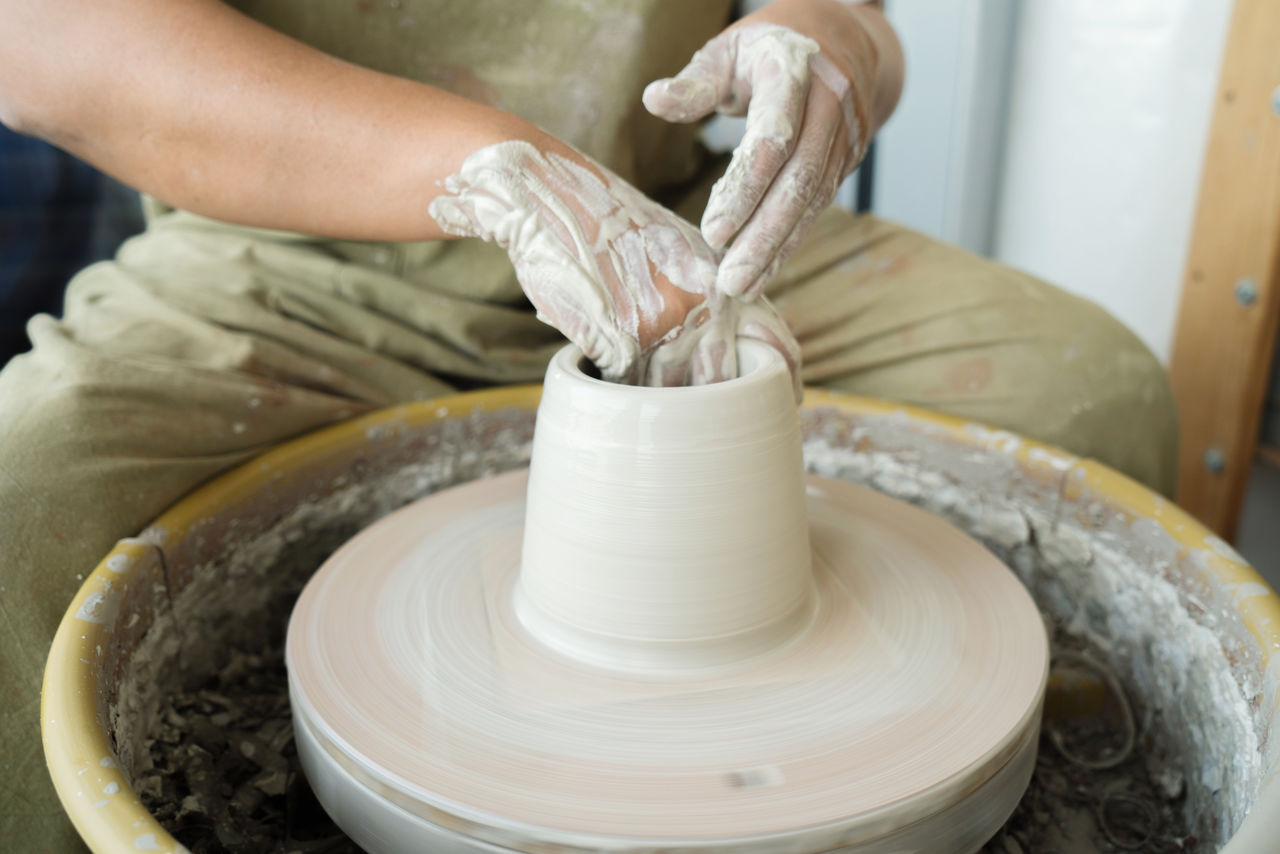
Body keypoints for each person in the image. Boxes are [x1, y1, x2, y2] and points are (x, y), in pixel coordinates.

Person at [0, 0, 1176, 848]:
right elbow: (47, 41)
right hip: (284, 247)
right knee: (28, 502)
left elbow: (840, 8)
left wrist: (829, 48)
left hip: (676, 235)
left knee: (1085, 394)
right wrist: (494, 169)